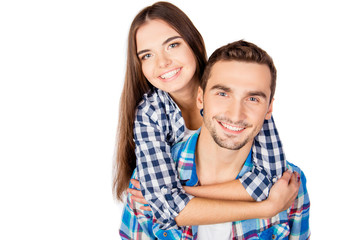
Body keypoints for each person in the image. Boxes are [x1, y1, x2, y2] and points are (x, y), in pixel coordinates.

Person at [113, 2, 299, 239]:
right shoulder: (150, 113)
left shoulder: (234, 83)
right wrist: (267, 208)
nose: (163, 62)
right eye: (147, 55)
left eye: (172, 45)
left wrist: (176, 193)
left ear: (194, 43)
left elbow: (270, 179)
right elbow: (166, 208)